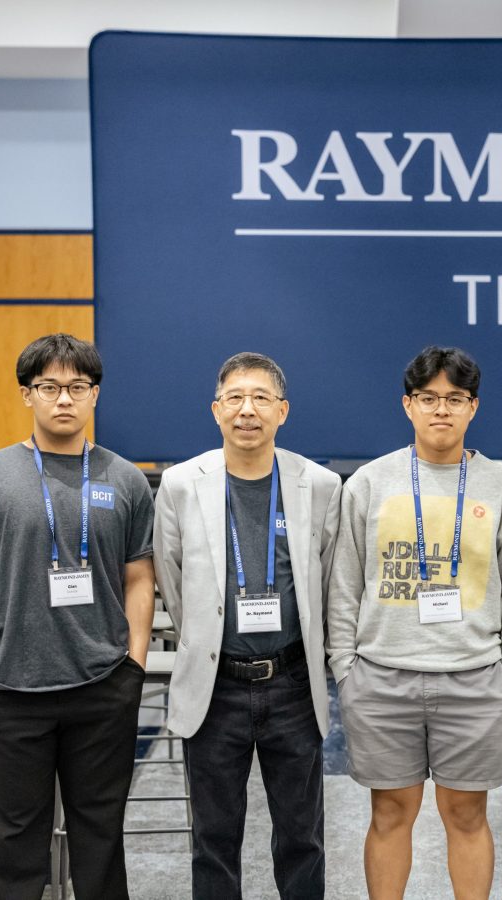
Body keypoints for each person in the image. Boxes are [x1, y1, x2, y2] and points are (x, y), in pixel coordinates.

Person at [0, 333, 154, 899]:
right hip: (9, 688)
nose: (64, 399)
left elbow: (139, 579)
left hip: (103, 686)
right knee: (13, 845)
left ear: (94, 396)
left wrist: (132, 666)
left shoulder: (125, 480)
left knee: (101, 840)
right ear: (26, 395)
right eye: (49, 387)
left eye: (77, 387)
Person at [327, 345, 502, 900]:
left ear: (474, 407)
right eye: (428, 398)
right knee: (389, 814)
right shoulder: (370, 484)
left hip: (475, 681)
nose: (441, 410)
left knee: (467, 816)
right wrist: (345, 667)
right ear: (408, 405)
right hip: (381, 678)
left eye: (455, 399)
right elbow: (344, 583)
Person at [152, 352, 342, 899]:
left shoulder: (321, 485)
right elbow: (172, 578)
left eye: (260, 398)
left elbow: (329, 580)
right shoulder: (183, 484)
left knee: (302, 837)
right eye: (234, 398)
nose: (247, 410)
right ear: (216, 410)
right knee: (213, 838)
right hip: (215, 686)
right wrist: (211, 644)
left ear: (282, 410)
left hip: (292, 684)